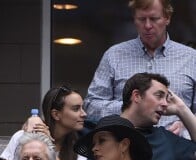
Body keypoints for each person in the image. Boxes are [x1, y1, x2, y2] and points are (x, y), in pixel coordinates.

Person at [84, 0, 196, 137]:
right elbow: (91, 106)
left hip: (176, 148)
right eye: (141, 19)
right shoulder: (114, 55)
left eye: (154, 19)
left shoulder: (191, 58)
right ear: (134, 19)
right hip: (124, 147)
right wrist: (132, 108)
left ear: (167, 18)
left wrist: (185, 123)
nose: (148, 25)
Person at [84, 72, 196, 160]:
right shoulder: (99, 131)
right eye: (159, 96)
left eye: (166, 99)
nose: (165, 104)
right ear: (137, 96)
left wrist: (182, 109)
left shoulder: (166, 140)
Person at [0, 85, 87, 160]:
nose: (84, 114)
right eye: (76, 109)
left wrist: (48, 146)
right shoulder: (22, 136)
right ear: (56, 114)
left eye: (83, 108)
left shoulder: (80, 143)